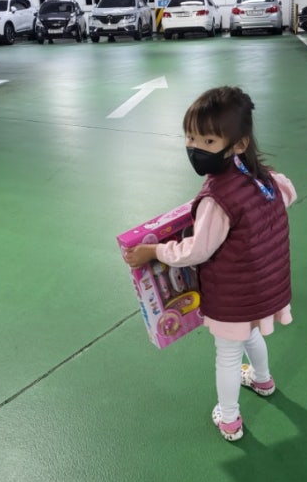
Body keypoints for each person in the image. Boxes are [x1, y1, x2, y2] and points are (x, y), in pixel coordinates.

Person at [123, 86, 297, 441]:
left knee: (228, 355)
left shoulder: (217, 199)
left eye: (208, 141)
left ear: (238, 144)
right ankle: (263, 380)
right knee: (251, 334)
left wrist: (154, 251)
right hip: (264, 287)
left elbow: (196, 251)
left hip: (233, 296)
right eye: (190, 138)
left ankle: (229, 419)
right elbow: (288, 193)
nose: (195, 148)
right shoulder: (264, 178)